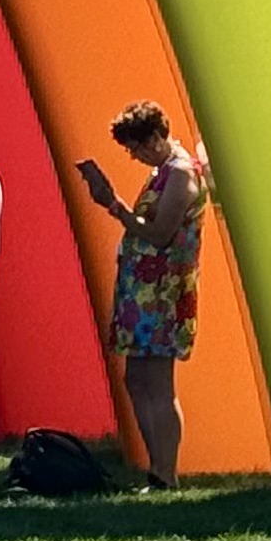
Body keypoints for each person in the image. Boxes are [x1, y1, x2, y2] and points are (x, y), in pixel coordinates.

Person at [76, 101, 207, 489]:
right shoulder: (162, 172)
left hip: (163, 293)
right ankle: (156, 467)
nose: (133, 156)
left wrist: (115, 207)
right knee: (137, 378)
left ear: (155, 138)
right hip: (144, 290)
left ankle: (165, 472)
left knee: (158, 382)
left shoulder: (180, 175)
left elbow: (159, 233)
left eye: (136, 146)